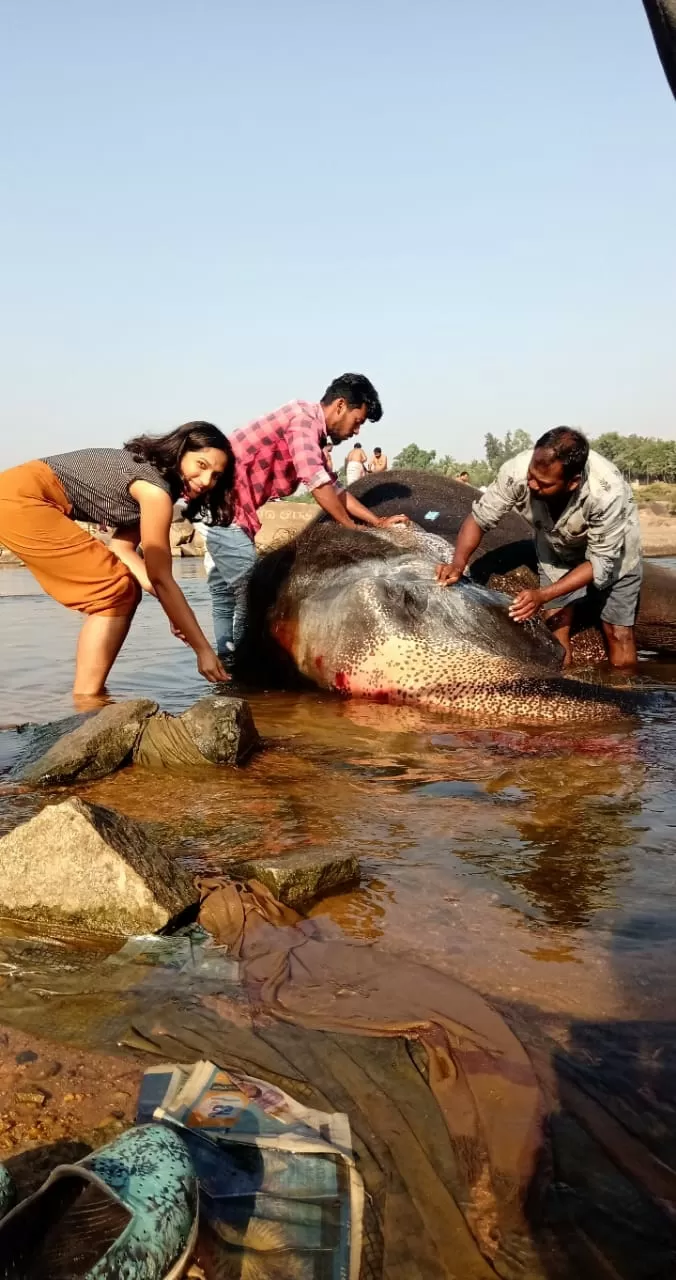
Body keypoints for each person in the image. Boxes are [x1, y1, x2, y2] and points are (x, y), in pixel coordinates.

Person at [0, 423, 234, 700]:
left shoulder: (157, 486)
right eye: (201, 464)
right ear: (181, 452)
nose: (206, 480)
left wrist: (176, 614)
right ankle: (87, 701)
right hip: (21, 499)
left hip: (14, 493)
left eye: (216, 475)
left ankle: (89, 695)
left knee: (124, 589)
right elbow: (161, 577)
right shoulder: (154, 492)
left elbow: (122, 549)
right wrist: (203, 650)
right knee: (112, 591)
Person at [202, 373, 409, 661]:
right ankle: (245, 670)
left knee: (225, 598)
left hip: (227, 511)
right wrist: (350, 529)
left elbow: (333, 487)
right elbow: (316, 481)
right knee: (253, 595)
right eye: (357, 421)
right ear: (339, 406)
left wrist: (375, 522)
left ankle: (225, 665)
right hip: (224, 513)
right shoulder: (302, 420)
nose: (356, 432)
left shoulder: (312, 433)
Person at [436, 427, 642, 668]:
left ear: (573, 482)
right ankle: (565, 692)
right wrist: (458, 564)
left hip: (615, 553)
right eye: (531, 475)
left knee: (618, 632)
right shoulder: (518, 471)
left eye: (543, 483)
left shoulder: (607, 493)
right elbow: (479, 519)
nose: (532, 485)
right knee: (555, 626)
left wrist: (543, 595)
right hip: (557, 549)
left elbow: (599, 563)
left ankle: (625, 697)